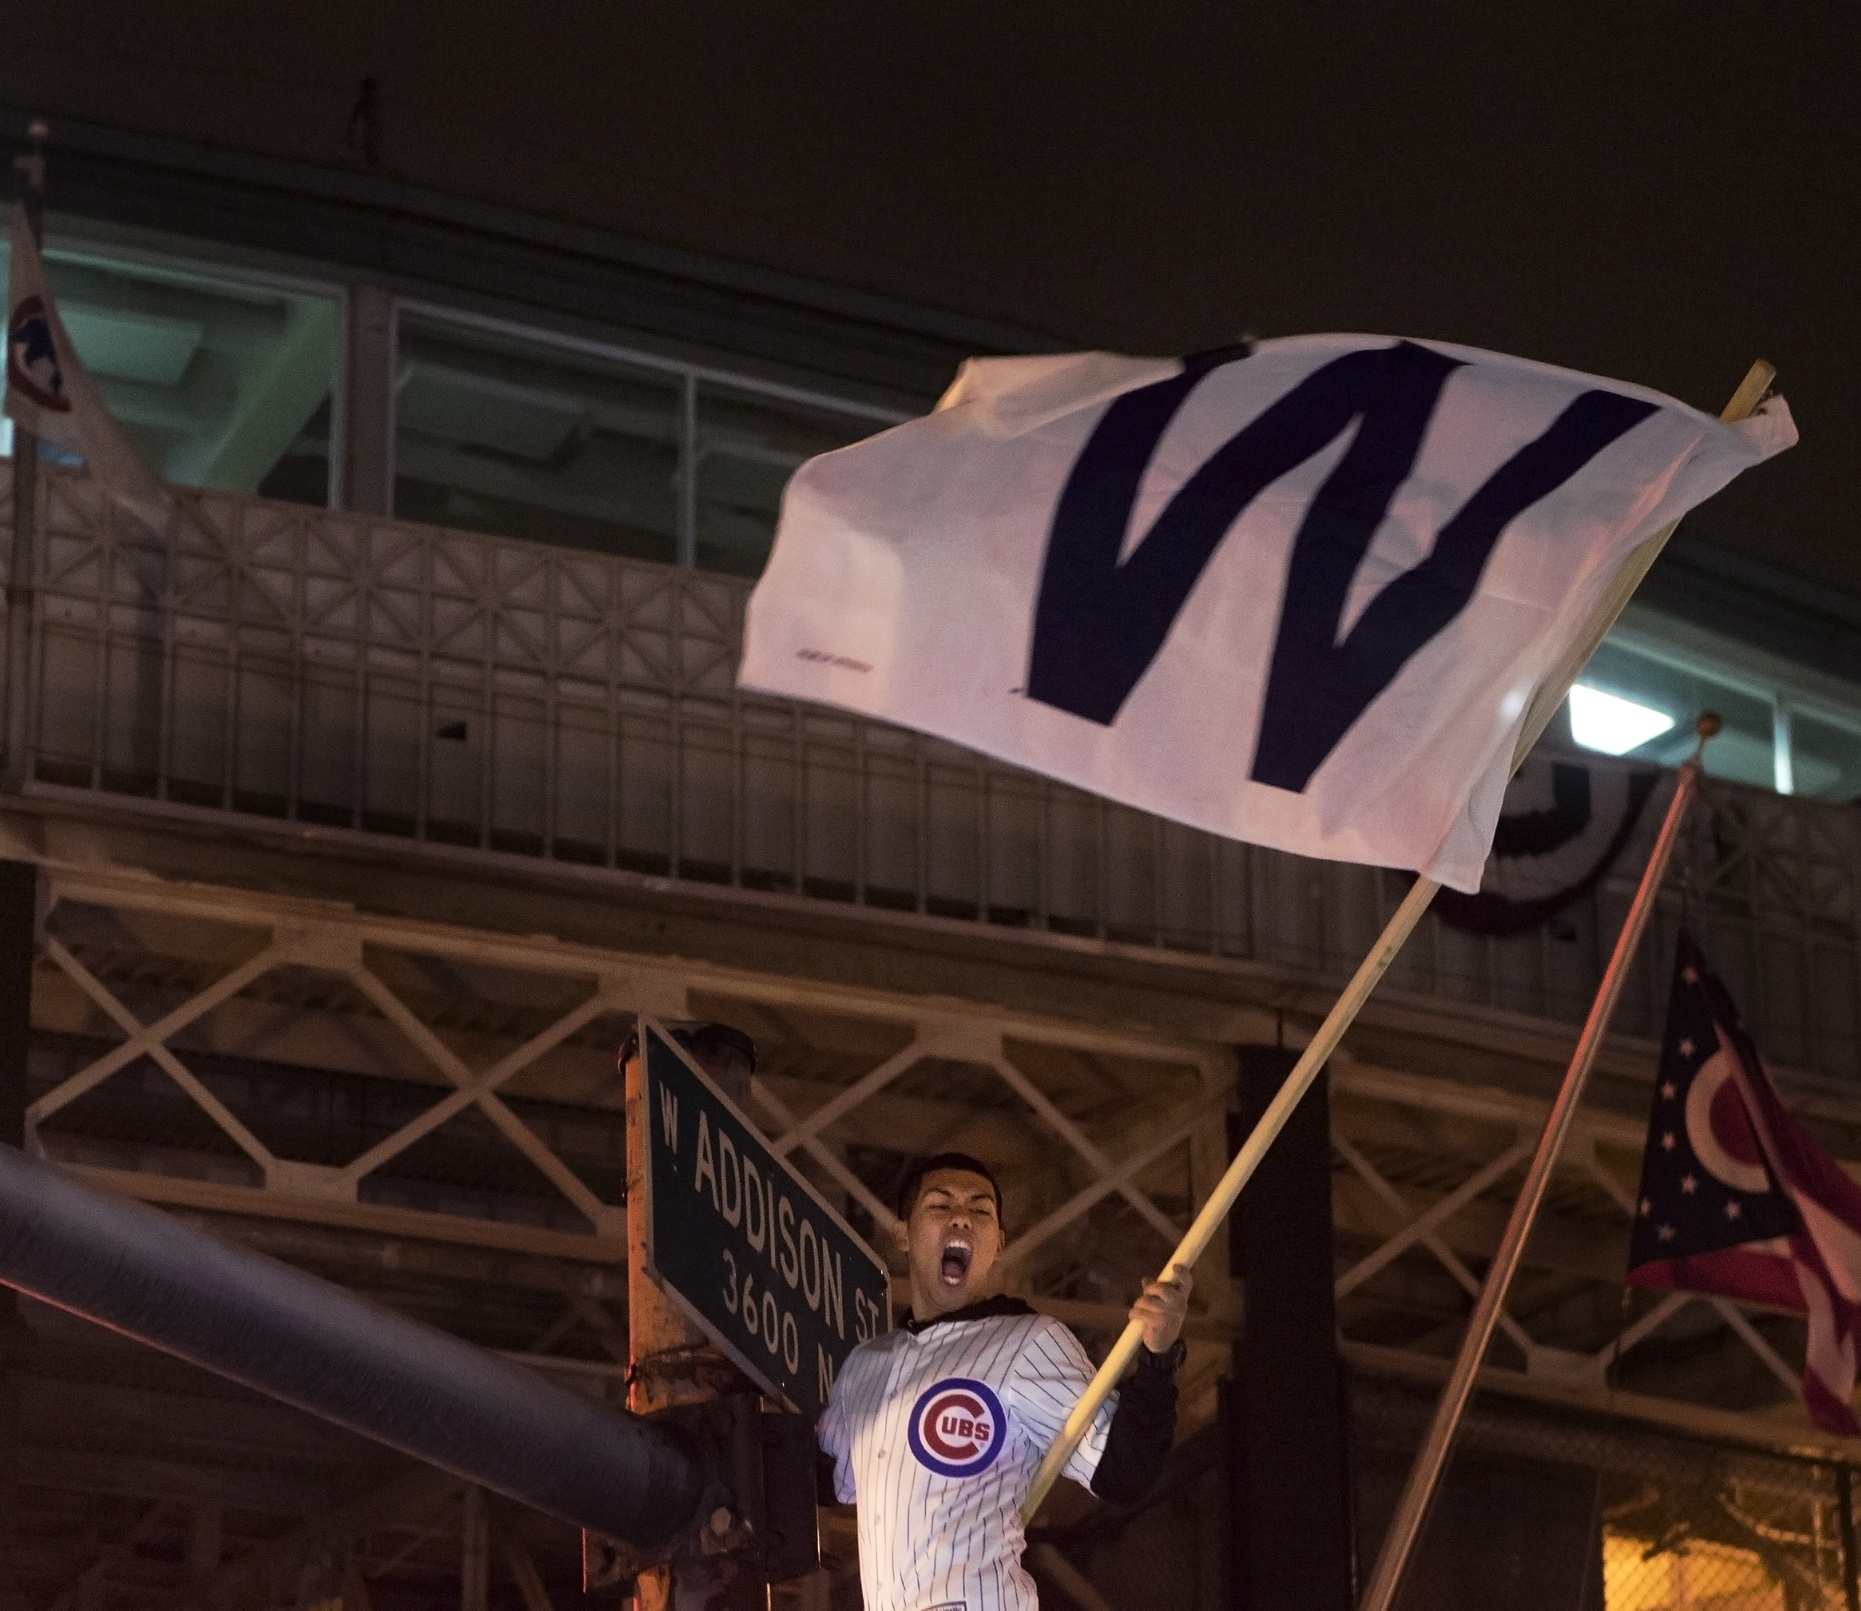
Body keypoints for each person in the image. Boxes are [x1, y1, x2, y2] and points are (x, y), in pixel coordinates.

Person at [817, 1151, 1192, 1611]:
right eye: (940, 1206)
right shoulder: (866, 1367)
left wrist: (1159, 1358)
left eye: (981, 1211)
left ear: (998, 1243)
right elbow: (820, 1476)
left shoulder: (1026, 1342)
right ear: (903, 1235)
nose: (962, 1220)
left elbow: (1124, 1471)